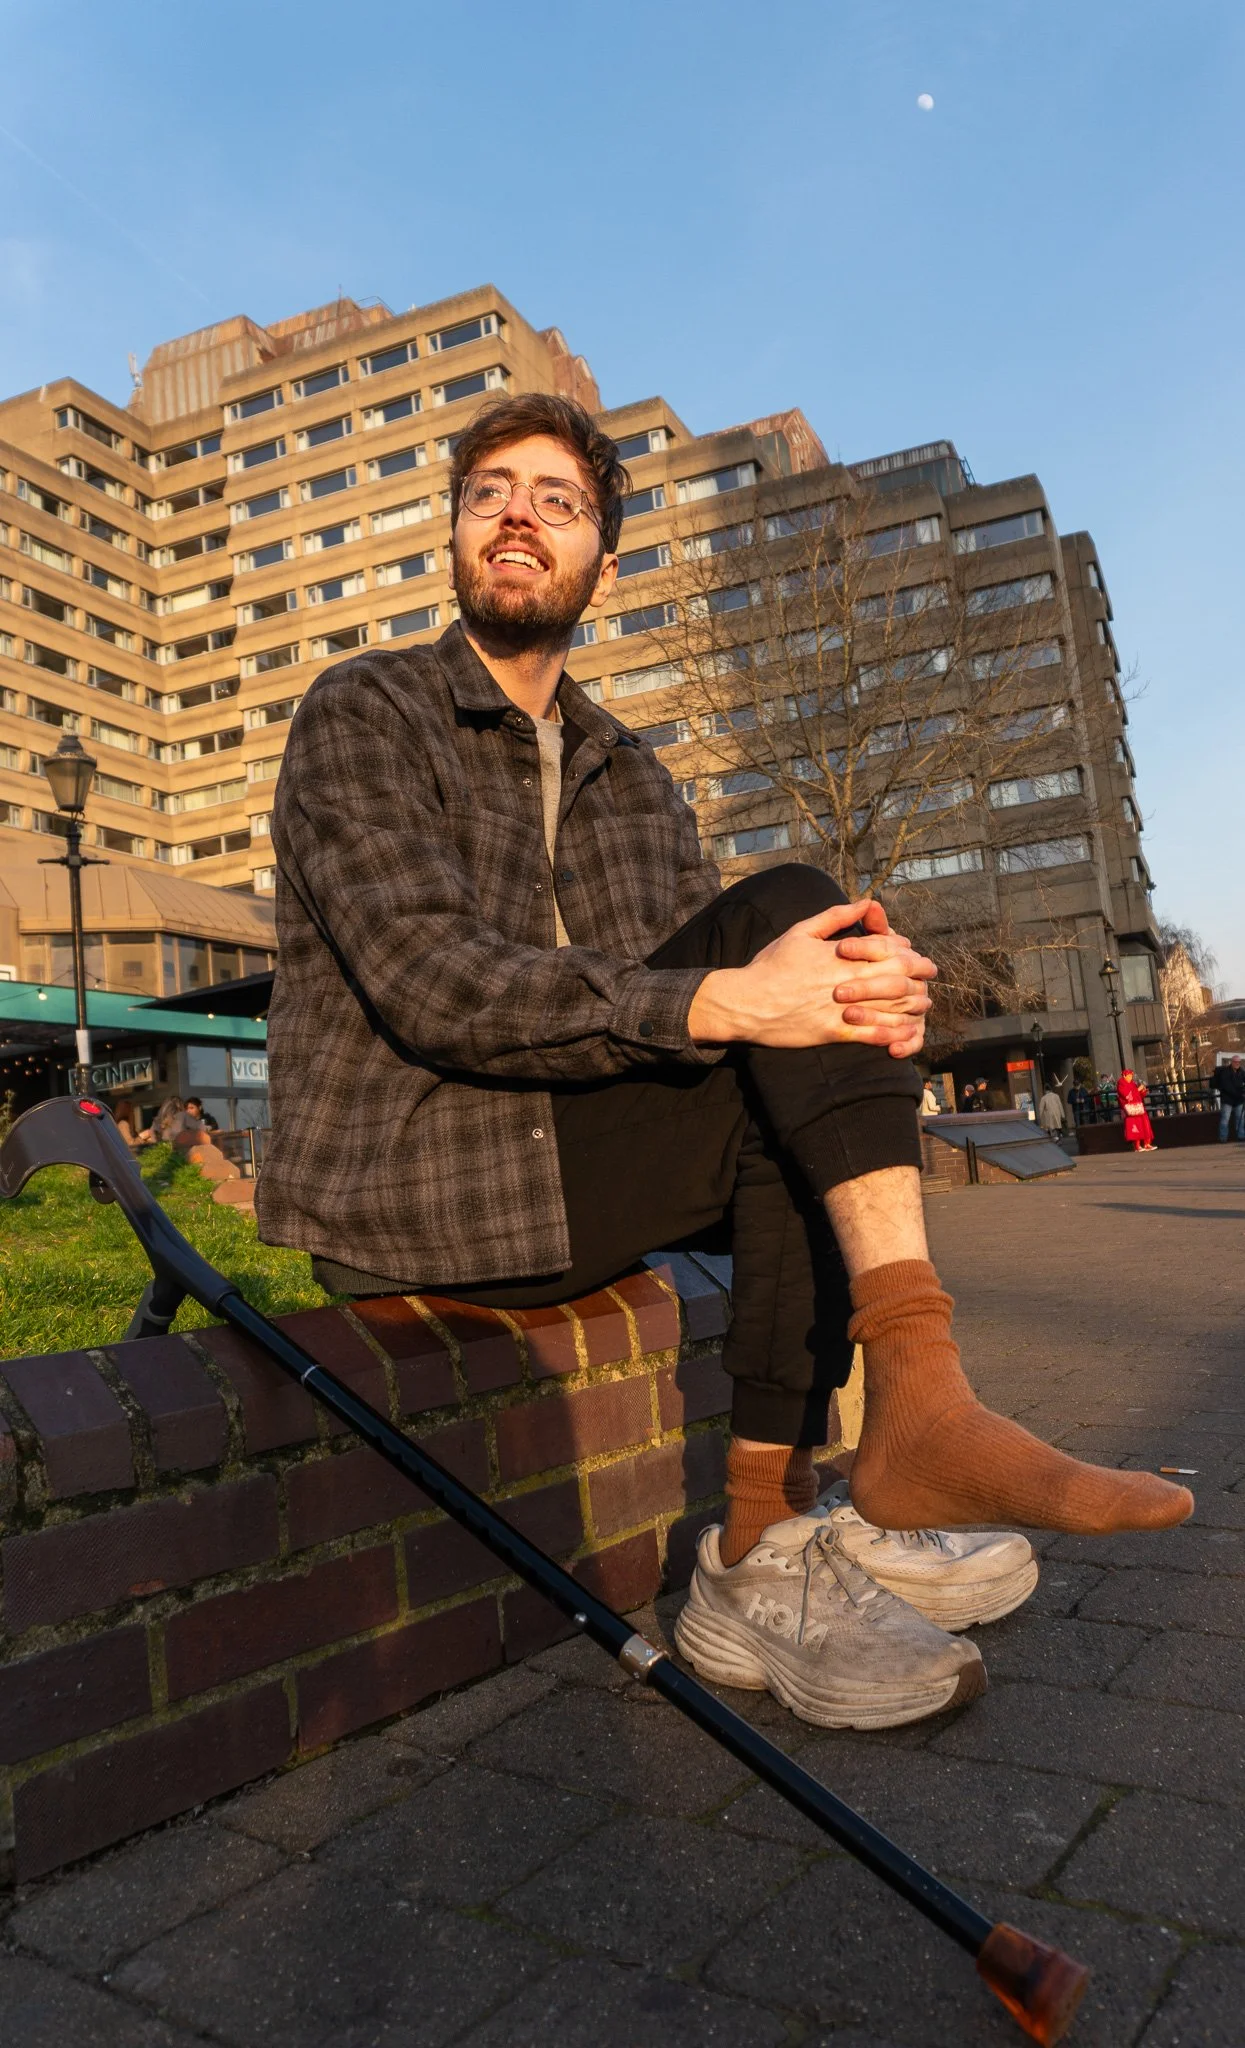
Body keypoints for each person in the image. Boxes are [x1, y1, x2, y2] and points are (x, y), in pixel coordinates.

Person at [258, 392, 1192, 1732]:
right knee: (782, 957)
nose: (516, 514)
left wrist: (863, 1002)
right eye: (488, 493)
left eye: (556, 500)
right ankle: (882, 1444)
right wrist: (751, 1000)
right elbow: (435, 985)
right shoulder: (365, 714)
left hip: (572, 1144)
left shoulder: (626, 770)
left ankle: (794, 1517)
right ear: (456, 536)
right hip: (422, 1176)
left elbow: (712, 998)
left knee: (823, 967)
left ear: (603, 566)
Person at [1117, 1069, 1156, 1152]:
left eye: (1131, 1076)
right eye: (1129, 1075)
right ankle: (1137, 1145)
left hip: (1139, 1107)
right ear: (1124, 1076)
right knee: (1135, 1126)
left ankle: (1147, 1143)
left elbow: (1137, 1095)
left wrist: (1143, 1091)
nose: (1130, 1077)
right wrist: (1138, 1090)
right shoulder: (1121, 1084)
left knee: (1145, 1125)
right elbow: (1127, 1095)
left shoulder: (1133, 1084)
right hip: (1131, 1110)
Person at [1215, 1055, 1245, 1141]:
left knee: (1241, 1119)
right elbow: (1226, 1086)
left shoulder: (1241, 1072)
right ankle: (1223, 1138)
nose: (1237, 1063)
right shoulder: (1226, 1072)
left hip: (1238, 1100)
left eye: (1238, 1062)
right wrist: (1239, 1092)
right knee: (1225, 1119)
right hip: (1228, 1100)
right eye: (1235, 1062)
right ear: (1232, 1062)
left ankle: (1241, 1136)